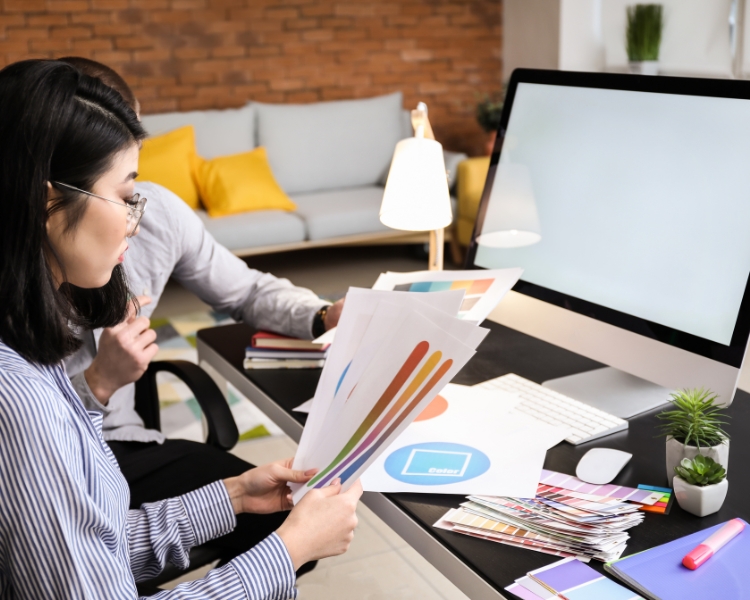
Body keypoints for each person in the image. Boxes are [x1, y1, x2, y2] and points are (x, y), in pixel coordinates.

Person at [0, 58, 361, 598]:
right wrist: (288, 552)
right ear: (48, 200)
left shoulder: (31, 353)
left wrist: (234, 496)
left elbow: (99, 548)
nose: (134, 219)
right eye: (124, 195)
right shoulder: (23, 398)